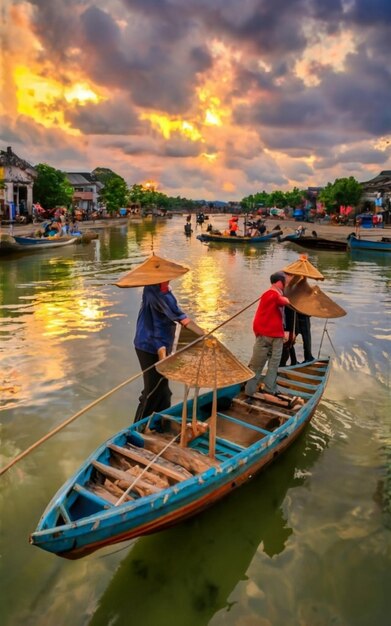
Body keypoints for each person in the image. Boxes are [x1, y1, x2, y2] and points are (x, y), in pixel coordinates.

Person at [133, 281, 204, 422]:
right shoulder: (155, 293)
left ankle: (160, 421)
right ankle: (140, 426)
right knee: (153, 391)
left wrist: (202, 333)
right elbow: (159, 327)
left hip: (153, 342)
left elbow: (178, 314)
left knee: (163, 391)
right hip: (149, 346)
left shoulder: (163, 290)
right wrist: (163, 357)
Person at [245, 272, 290, 397]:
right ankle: (253, 390)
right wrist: (286, 299)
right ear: (280, 282)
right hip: (267, 336)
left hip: (274, 335)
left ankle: (267, 388)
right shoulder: (271, 294)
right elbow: (281, 301)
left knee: (269, 364)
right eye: (285, 281)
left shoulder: (269, 294)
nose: (286, 284)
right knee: (261, 365)